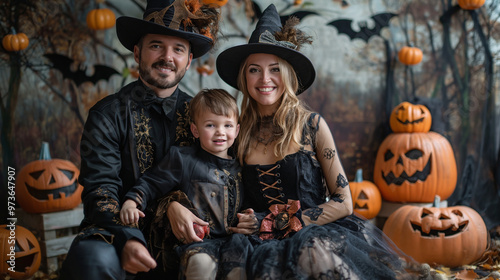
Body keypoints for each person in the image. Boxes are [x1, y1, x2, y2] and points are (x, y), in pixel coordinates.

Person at [168, 4, 429, 279]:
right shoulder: (234, 133)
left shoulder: (312, 126)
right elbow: (202, 174)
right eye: (254, 70)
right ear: (244, 77)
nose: (265, 79)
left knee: (313, 253)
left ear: (289, 74)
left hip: (311, 233)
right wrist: (176, 204)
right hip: (254, 243)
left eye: (275, 69)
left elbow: (344, 202)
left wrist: (276, 223)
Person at [59, 1, 220, 279]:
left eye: (178, 49)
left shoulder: (202, 117)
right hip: (115, 230)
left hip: (184, 237)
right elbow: (101, 191)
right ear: (137, 53)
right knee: (92, 257)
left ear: (188, 60)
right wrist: (129, 238)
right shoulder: (107, 114)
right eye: (156, 45)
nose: (167, 57)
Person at [119, 88, 252, 279]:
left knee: (238, 270)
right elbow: (151, 183)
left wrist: (250, 218)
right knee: (201, 266)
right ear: (195, 130)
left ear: (237, 130)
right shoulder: (182, 159)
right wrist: (132, 202)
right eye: (210, 125)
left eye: (228, 126)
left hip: (234, 242)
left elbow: (250, 204)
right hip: (198, 242)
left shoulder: (241, 166)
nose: (220, 132)